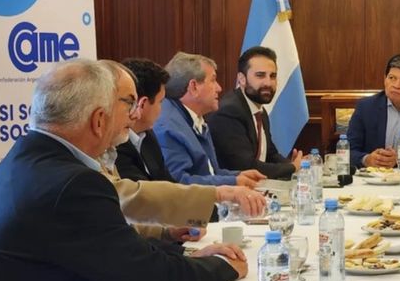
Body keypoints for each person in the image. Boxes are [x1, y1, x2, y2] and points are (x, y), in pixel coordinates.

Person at [0, 59, 249, 281]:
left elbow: (115, 249)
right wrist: (224, 266)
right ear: (99, 120)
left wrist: (184, 256)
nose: (132, 116)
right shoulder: (73, 184)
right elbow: (149, 278)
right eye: (127, 105)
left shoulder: (23, 159)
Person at [103, 59, 264, 228]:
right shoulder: (129, 141)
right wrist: (223, 192)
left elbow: (169, 184)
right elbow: (142, 199)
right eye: (160, 102)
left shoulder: (147, 136)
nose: (219, 88)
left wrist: (235, 180)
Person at [153, 52, 266, 187]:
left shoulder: (194, 119)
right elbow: (179, 183)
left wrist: (238, 175)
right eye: (213, 80)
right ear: (194, 87)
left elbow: (210, 172)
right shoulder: (168, 127)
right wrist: (233, 182)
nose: (219, 88)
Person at [207, 46, 302, 180]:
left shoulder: (259, 110)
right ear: (242, 79)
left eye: (273, 76)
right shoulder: (229, 112)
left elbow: (270, 154)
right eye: (260, 75)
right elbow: (246, 166)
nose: (268, 83)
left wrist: (295, 165)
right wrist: (292, 168)